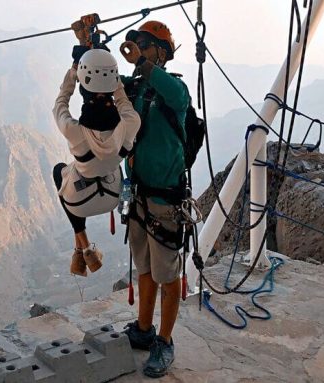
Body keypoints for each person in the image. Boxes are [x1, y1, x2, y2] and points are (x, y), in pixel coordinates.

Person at [118, 21, 190, 378]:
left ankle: (165, 340)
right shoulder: (136, 90)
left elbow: (174, 94)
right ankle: (144, 329)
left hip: (165, 200)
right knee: (145, 266)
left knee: (166, 273)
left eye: (145, 45)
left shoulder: (175, 90)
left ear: (161, 51)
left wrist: (144, 65)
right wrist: (87, 48)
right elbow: (104, 90)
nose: (138, 51)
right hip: (140, 195)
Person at [52, 46, 140, 277]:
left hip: (80, 202)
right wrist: (113, 79)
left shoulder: (74, 131)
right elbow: (123, 102)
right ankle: (82, 251)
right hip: (111, 197)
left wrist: (74, 72)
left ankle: (82, 246)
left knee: (60, 173)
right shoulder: (130, 124)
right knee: (74, 177)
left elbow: (60, 103)